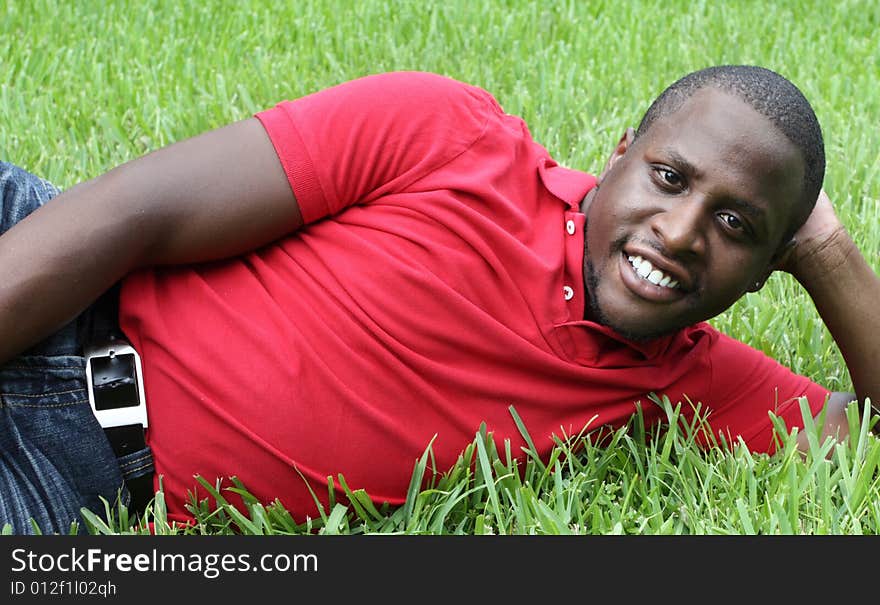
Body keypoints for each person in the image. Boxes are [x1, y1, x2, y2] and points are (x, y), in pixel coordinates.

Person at [1, 65, 875, 535]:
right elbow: (134, 211)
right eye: (669, 177)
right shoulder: (447, 137)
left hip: (65, 472)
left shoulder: (692, 383)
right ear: (620, 153)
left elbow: (865, 431)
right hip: (59, 264)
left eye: (735, 223)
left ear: (768, 268)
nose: (682, 232)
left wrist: (829, 251)